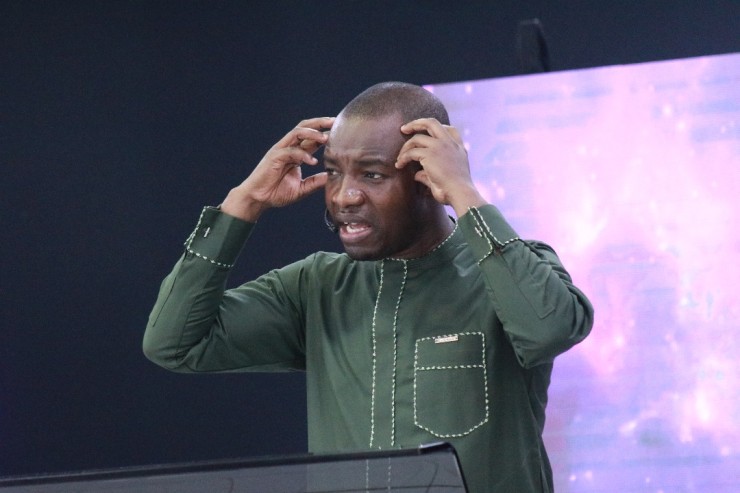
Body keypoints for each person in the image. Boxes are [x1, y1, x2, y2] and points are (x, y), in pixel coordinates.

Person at [143, 81, 594, 492]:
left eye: (372, 175)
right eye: (335, 172)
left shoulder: (510, 270)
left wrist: (464, 191)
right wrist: (242, 204)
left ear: (426, 176)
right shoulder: (316, 286)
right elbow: (174, 344)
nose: (344, 196)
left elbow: (549, 329)